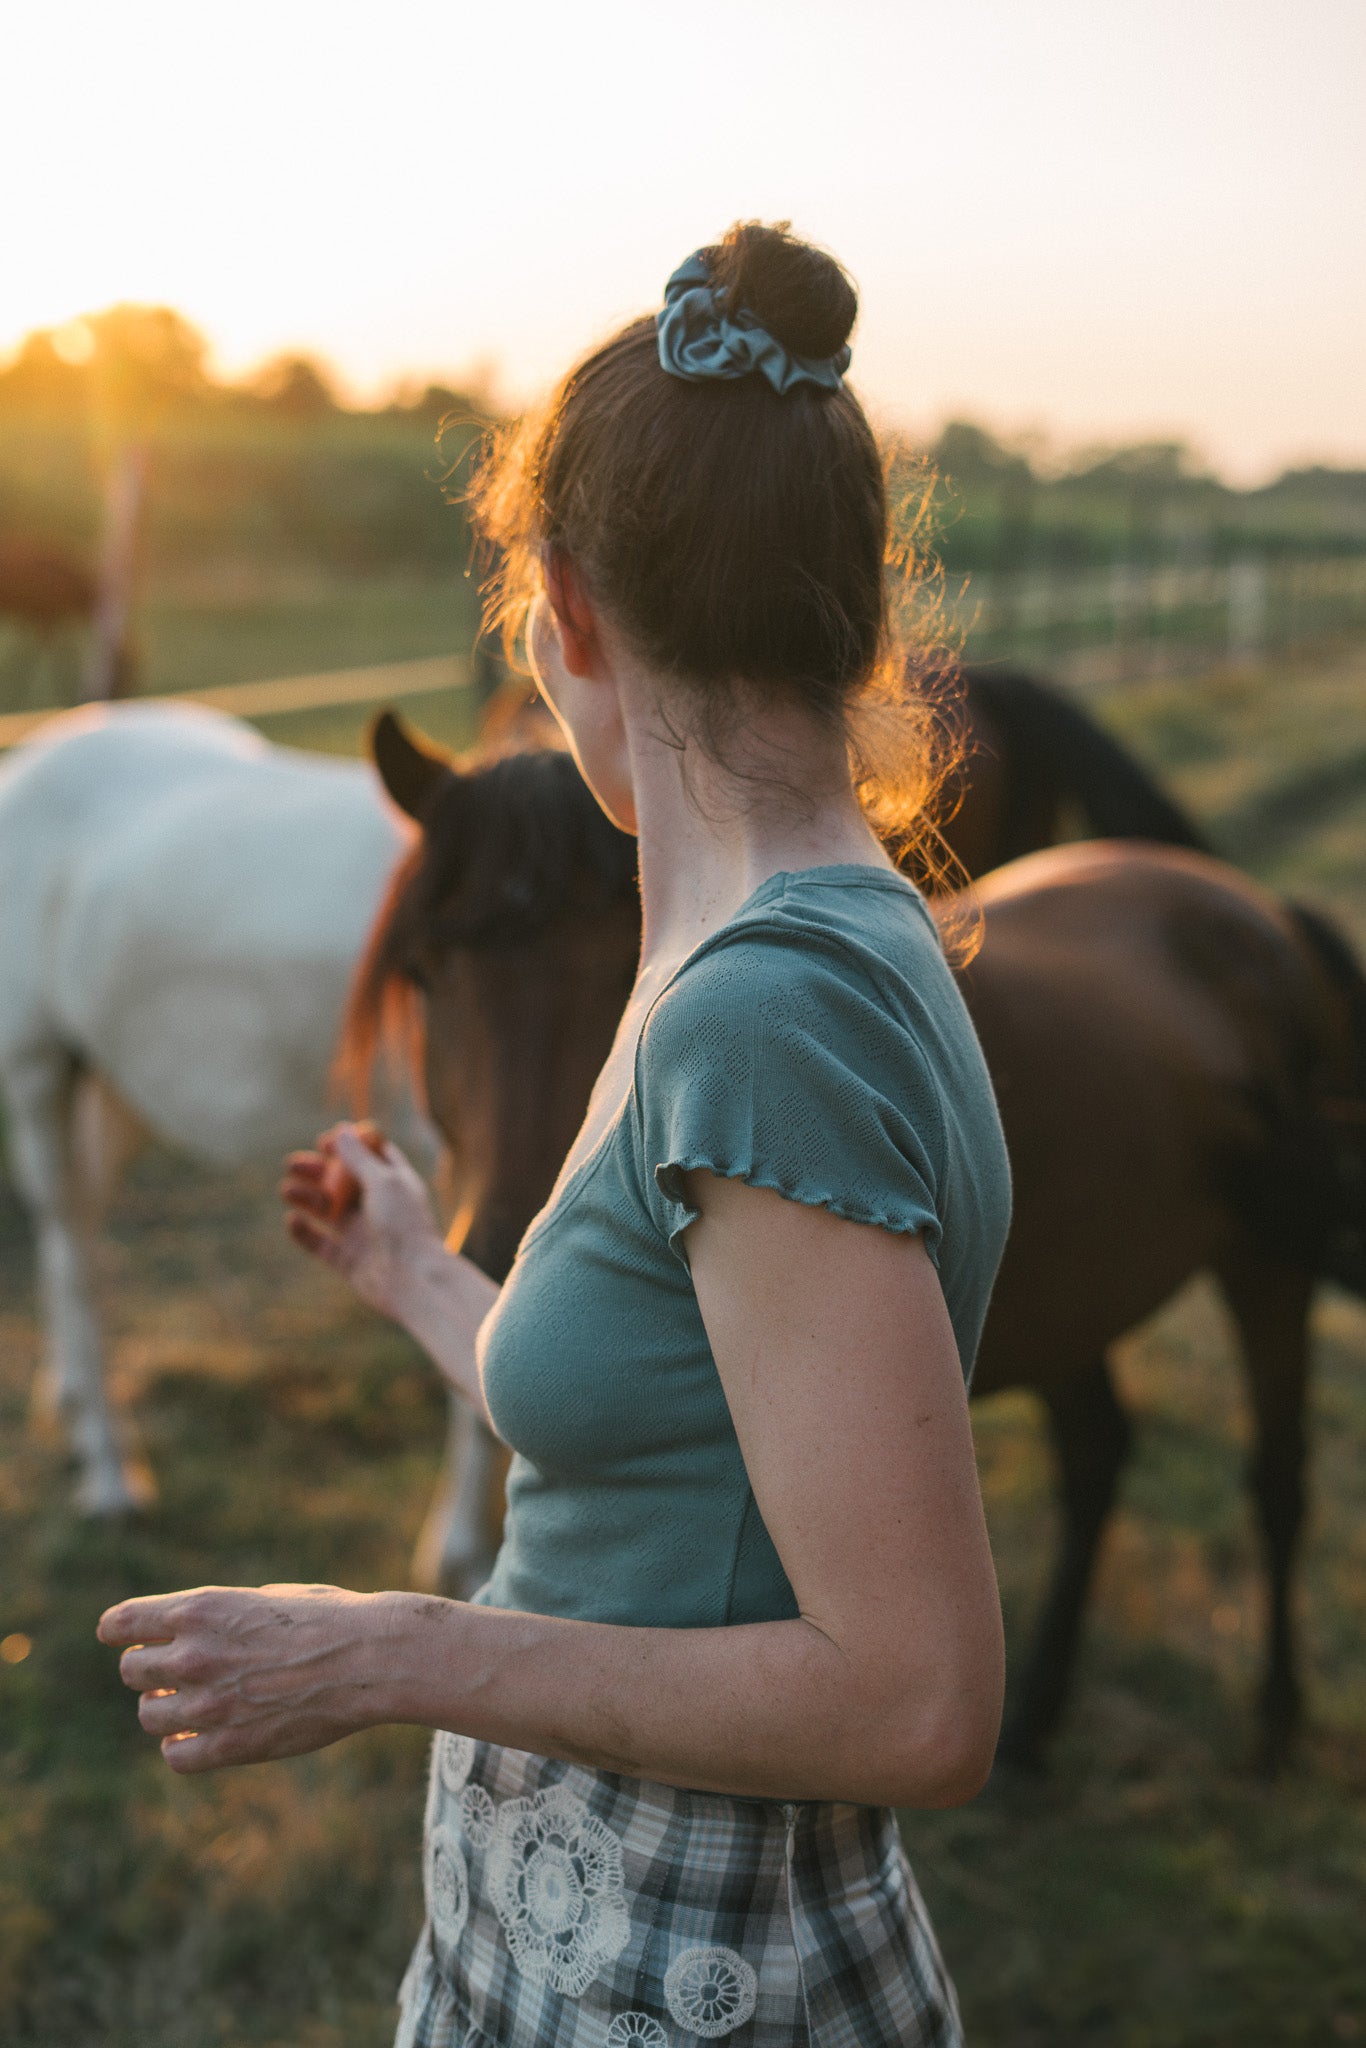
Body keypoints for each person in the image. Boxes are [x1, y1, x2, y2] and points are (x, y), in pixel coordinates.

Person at [100, 221, 1013, 2048]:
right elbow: (686, 1434)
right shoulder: (763, 939)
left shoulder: (766, 1011)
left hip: (687, 1967)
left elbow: (915, 1703)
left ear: (570, 611)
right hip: (593, 1924)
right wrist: (420, 1274)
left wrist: (390, 1650)